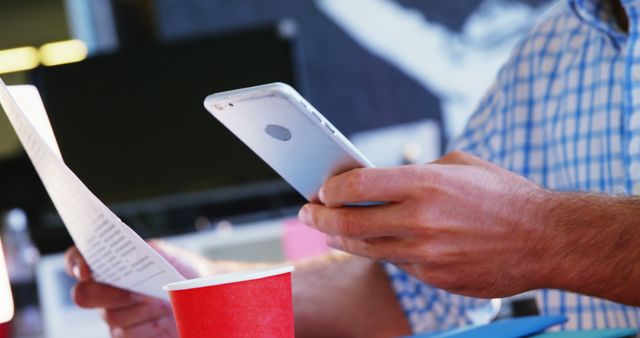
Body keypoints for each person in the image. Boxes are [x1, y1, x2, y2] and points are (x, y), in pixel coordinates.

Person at [65, 0, 640, 336]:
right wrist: (206, 287)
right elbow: (416, 295)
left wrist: (541, 234)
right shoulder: (555, 44)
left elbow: (525, 236)